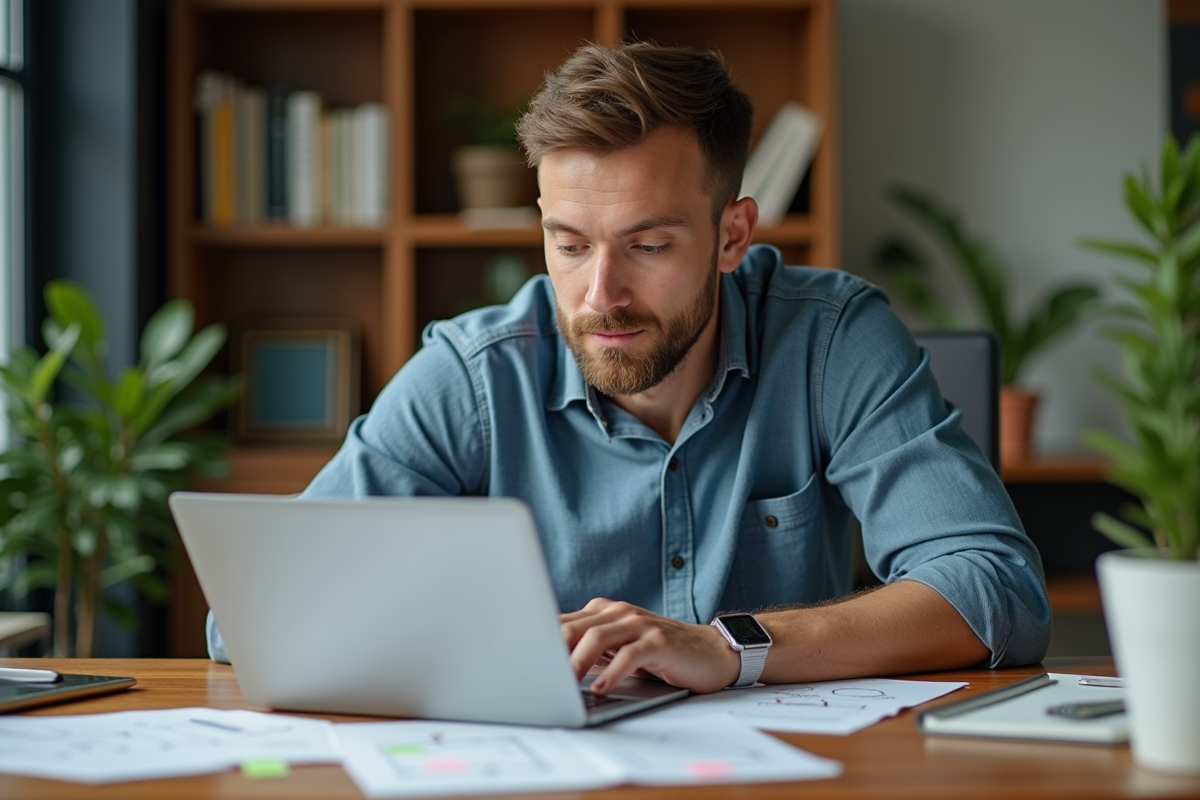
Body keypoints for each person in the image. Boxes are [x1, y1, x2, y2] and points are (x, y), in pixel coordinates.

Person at [207, 42, 1050, 693]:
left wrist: (730, 647)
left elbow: (994, 588)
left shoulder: (833, 339)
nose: (598, 294)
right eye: (568, 245)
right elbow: (252, 617)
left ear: (732, 234)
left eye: (648, 245)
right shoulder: (472, 375)